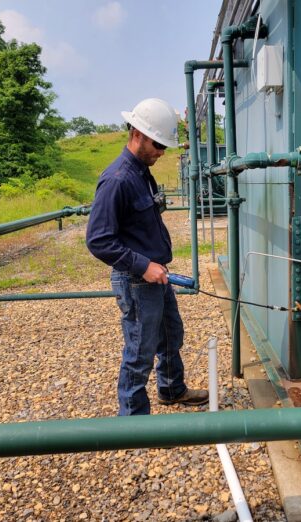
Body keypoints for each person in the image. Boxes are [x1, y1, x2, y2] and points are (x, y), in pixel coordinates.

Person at [86, 98, 209, 416]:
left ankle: (171, 389)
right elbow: (99, 240)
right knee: (140, 349)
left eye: (165, 146)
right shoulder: (117, 180)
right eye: (158, 144)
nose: (161, 152)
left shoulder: (142, 173)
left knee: (171, 334)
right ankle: (134, 419)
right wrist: (142, 265)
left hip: (155, 275)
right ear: (137, 134)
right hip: (137, 280)